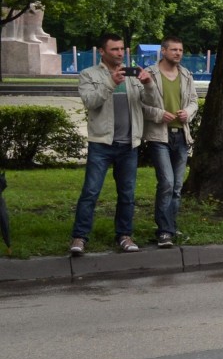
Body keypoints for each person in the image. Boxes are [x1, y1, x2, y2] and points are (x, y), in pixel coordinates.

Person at [69, 33, 164, 255]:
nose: (120, 53)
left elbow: (151, 102)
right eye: (114, 49)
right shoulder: (88, 74)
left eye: (122, 49)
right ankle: (79, 238)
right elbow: (91, 102)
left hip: (128, 145)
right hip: (101, 143)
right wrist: (111, 82)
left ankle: (124, 235)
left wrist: (149, 84)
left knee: (127, 194)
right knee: (91, 192)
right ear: (102, 51)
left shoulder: (132, 76)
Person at [143, 36, 198, 248]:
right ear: (163, 51)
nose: (178, 53)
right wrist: (158, 114)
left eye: (181, 50)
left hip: (180, 135)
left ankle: (170, 227)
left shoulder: (186, 74)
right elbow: (140, 104)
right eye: (174, 50)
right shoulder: (150, 74)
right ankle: (164, 231)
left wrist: (188, 113)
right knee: (166, 182)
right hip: (159, 136)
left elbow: (194, 101)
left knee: (176, 186)